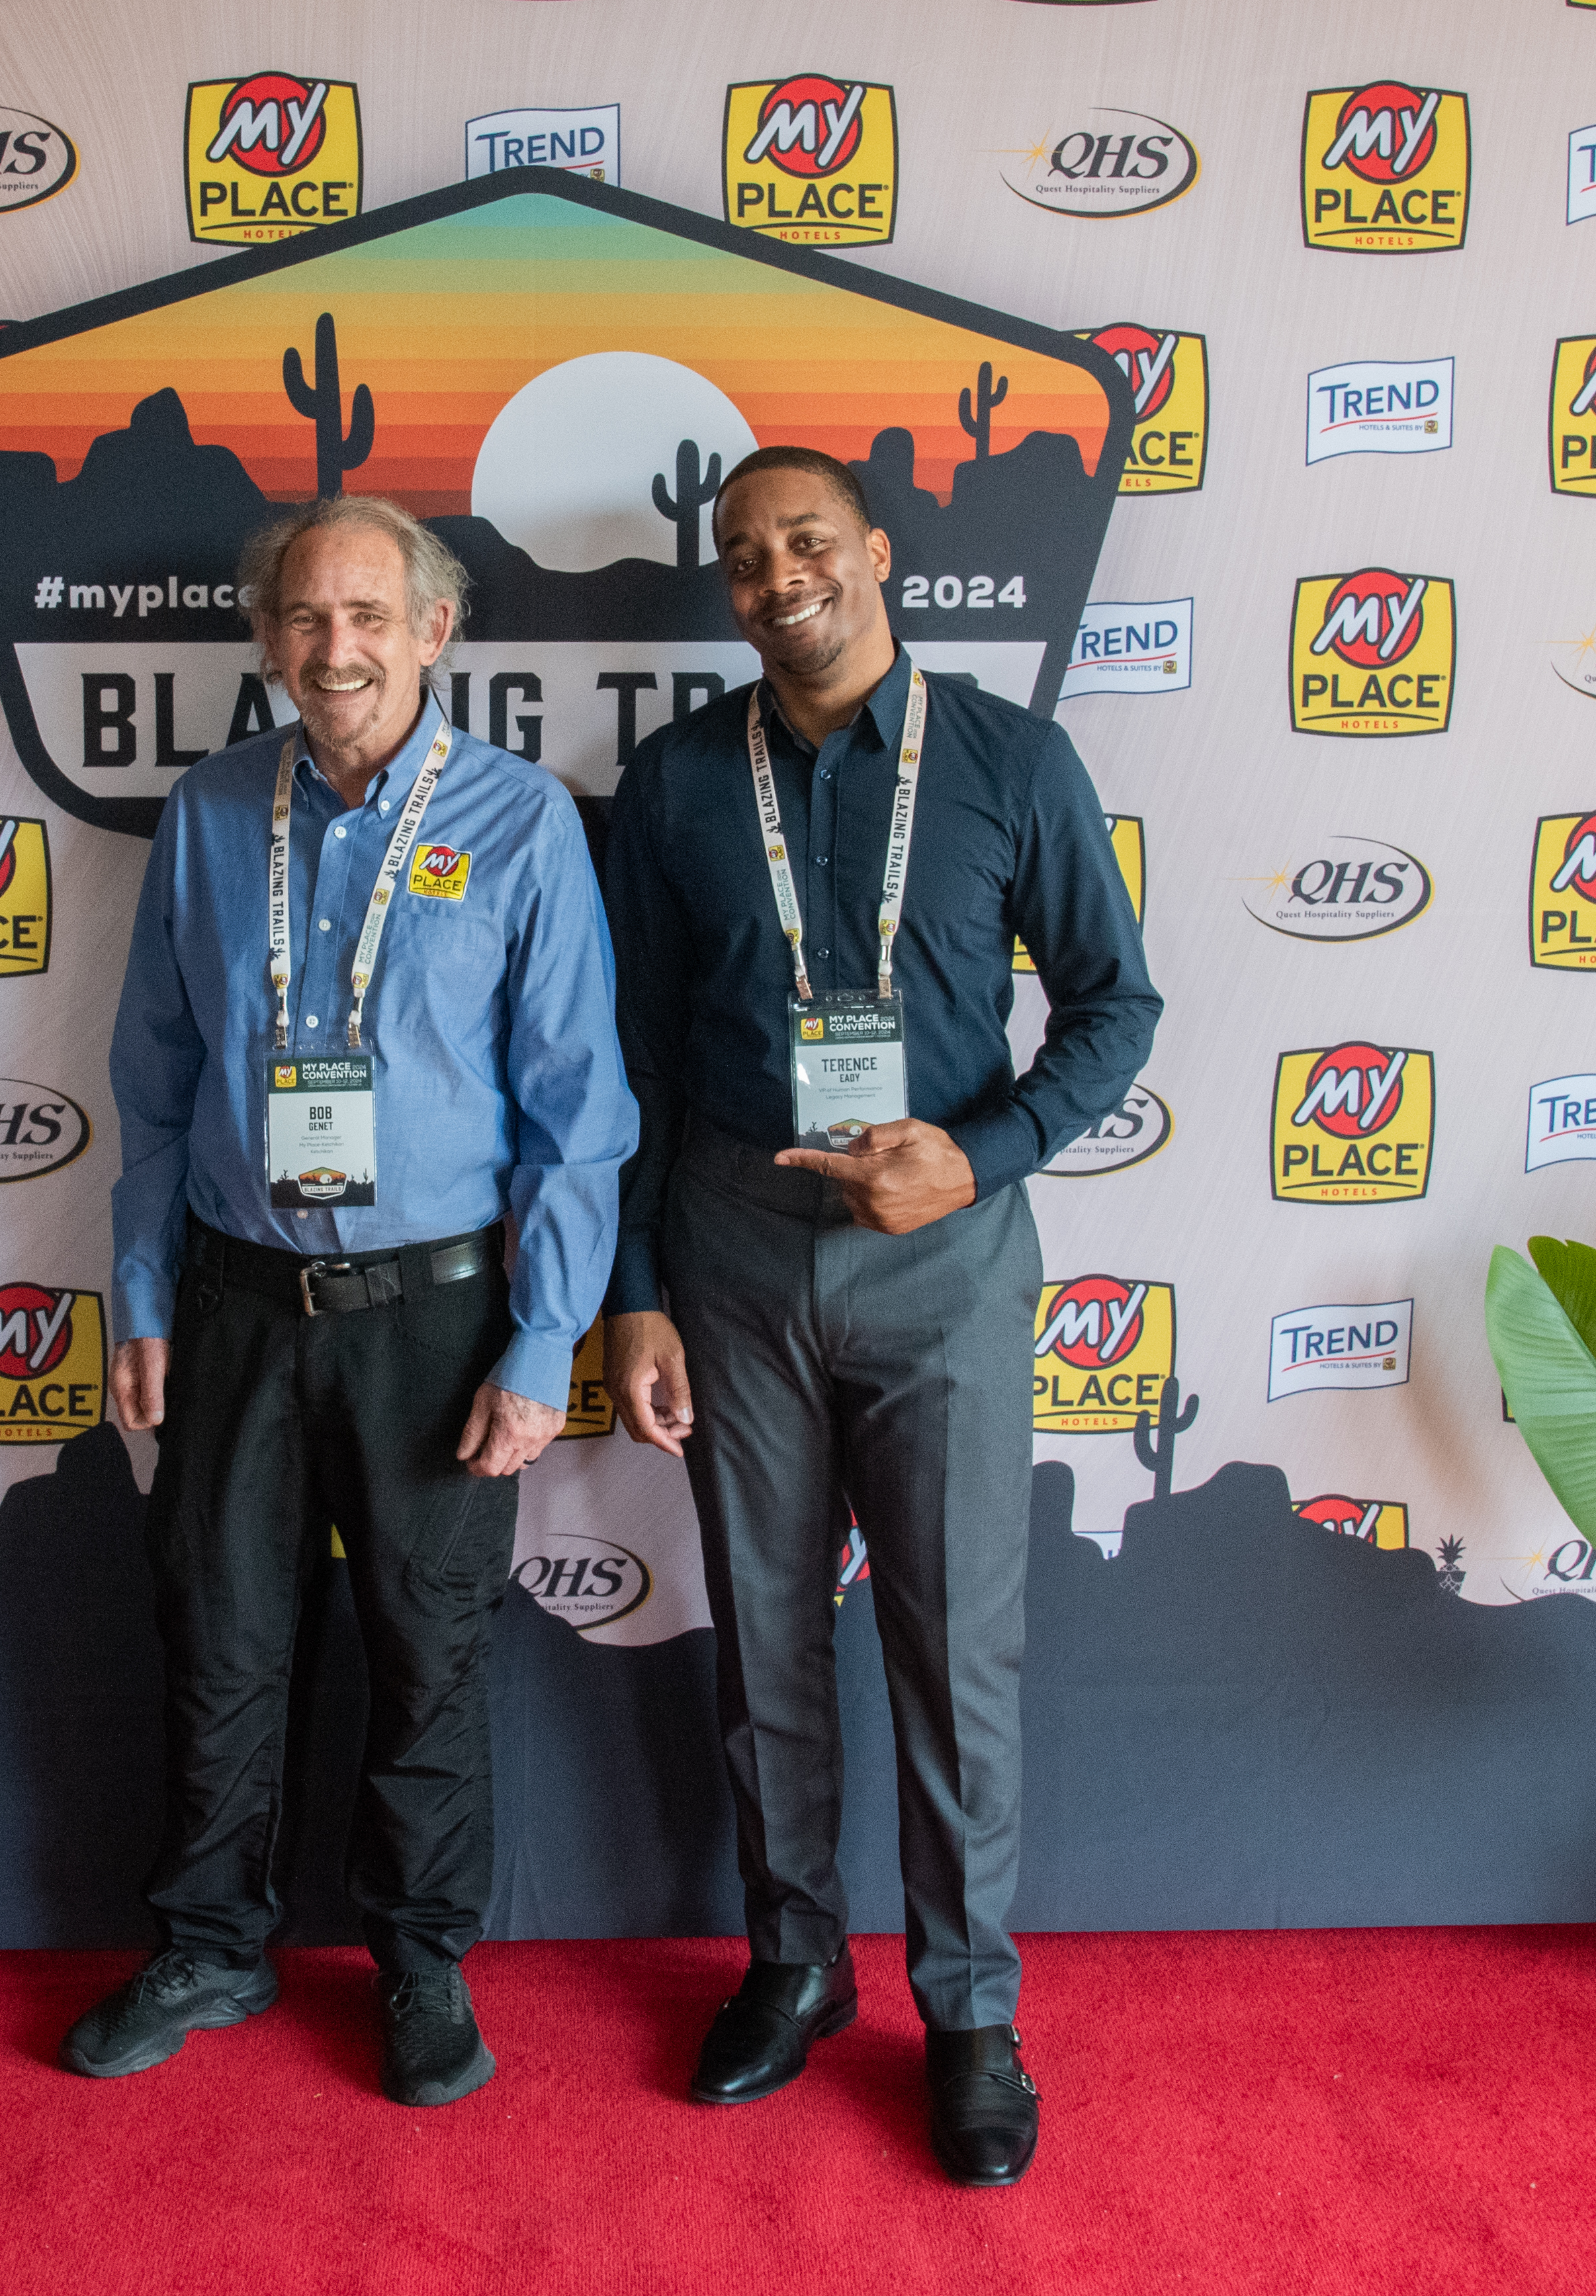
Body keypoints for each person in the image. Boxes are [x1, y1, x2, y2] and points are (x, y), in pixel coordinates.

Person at [599, 447, 1161, 2186]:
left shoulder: (1011, 759)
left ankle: (971, 2013)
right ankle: (793, 1963)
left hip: (944, 1263)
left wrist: (978, 1156)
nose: (779, 575)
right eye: (745, 555)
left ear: (879, 553)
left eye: (809, 540)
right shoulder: (676, 779)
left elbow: (1113, 1007)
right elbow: (633, 1057)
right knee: (766, 1637)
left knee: (954, 1648)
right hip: (733, 1254)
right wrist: (636, 1294)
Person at [69, 494, 635, 2108]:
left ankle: (420, 1960)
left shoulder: (521, 821)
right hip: (233, 1302)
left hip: (436, 1320)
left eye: (370, 615)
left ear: (434, 631)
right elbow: (154, 1078)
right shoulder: (209, 810)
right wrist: (141, 1290)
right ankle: (207, 1944)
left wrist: (545, 1339)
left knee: (427, 1651)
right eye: (307, 617)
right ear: (268, 639)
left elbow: (578, 1112)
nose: (338, 648)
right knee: (220, 1641)